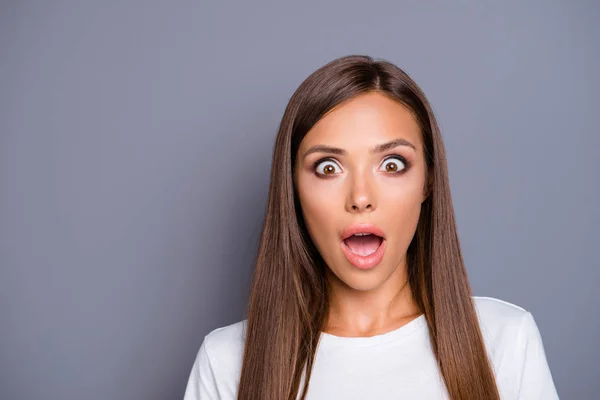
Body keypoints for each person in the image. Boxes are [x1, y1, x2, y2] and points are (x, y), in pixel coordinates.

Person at [183, 55, 559, 400]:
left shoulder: (505, 341)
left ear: (428, 181)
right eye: (328, 167)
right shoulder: (228, 362)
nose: (361, 197)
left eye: (392, 164)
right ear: (293, 189)